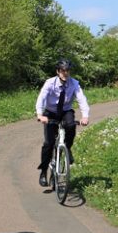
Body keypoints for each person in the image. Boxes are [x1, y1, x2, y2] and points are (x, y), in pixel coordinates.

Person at [35, 58, 90, 187]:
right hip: (50, 112)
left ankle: (67, 148)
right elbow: (41, 98)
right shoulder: (50, 83)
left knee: (71, 125)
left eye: (67, 71)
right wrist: (39, 114)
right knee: (48, 143)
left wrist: (85, 116)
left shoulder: (74, 83)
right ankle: (43, 172)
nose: (65, 73)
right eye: (62, 71)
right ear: (58, 71)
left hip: (65, 111)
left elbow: (82, 100)